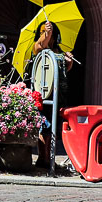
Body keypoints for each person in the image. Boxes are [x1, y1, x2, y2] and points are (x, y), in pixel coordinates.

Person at [29, 20, 74, 168]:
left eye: (49, 33)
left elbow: (62, 72)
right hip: (42, 95)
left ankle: (49, 157)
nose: (46, 35)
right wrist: (46, 33)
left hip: (56, 94)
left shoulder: (58, 52)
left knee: (52, 127)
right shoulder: (38, 48)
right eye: (42, 32)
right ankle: (44, 158)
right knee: (44, 126)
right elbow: (40, 45)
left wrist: (69, 62)